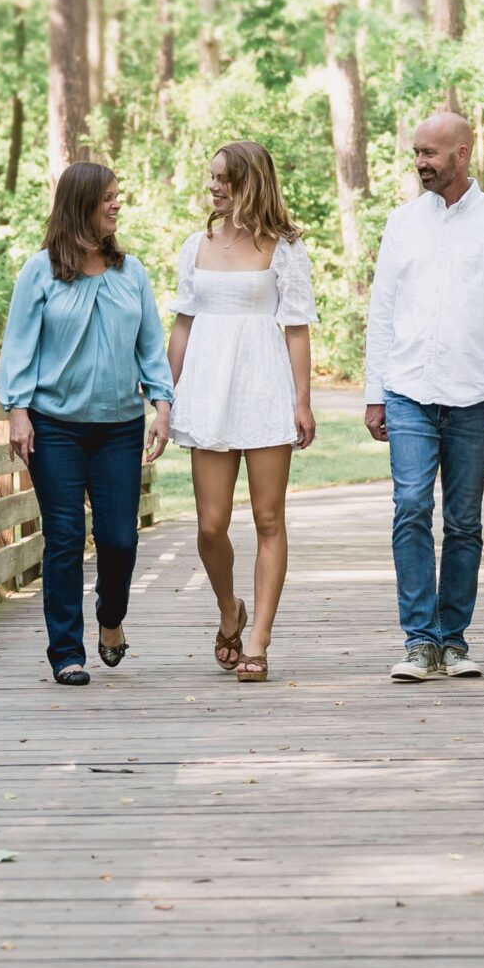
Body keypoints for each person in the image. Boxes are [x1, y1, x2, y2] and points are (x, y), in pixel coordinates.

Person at [363, 111, 484, 680]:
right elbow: (382, 311)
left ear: (462, 155)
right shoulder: (402, 222)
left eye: (430, 154)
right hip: (408, 387)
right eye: (416, 152)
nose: (420, 163)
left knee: (464, 520)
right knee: (411, 505)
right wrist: (374, 393)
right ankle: (419, 640)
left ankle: (453, 639)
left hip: (471, 393)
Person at [0, 162, 173, 686]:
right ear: (81, 205)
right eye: (108, 199)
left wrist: (162, 404)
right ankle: (66, 652)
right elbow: (18, 347)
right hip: (55, 427)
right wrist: (17, 411)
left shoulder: (131, 272)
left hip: (119, 426)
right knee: (66, 535)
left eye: (118, 197)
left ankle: (110, 619)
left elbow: (150, 345)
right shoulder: (39, 272)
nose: (117, 205)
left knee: (120, 539)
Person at [168, 140, 317, 685]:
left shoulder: (284, 246)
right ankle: (230, 609)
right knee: (210, 526)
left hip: (264, 385)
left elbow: (296, 327)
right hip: (207, 386)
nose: (213, 187)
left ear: (250, 183)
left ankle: (259, 637)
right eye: (211, 177)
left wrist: (302, 401)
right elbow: (182, 324)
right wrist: (165, 396)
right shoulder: (196, 245)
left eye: (223, 179)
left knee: (268, 519)